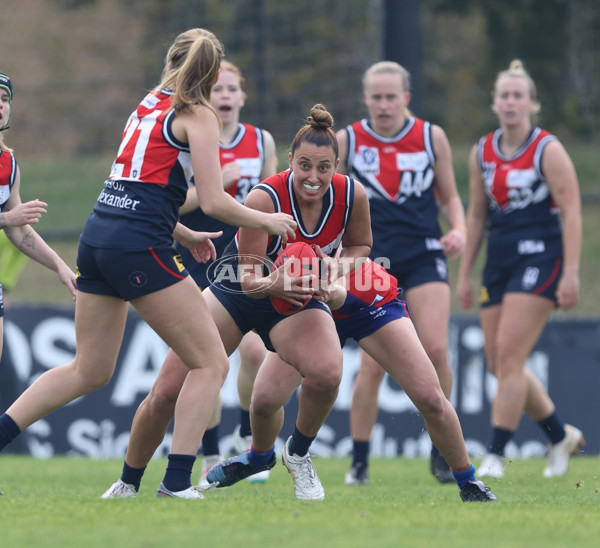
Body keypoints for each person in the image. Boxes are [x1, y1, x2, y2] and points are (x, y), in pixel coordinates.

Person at [0, 29, 297, 499]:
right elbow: (217, 199)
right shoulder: (197, 114)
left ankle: (4, 434)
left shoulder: (148, 102)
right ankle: (178, 482)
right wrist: (269, 219)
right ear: (213, 74)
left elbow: (135, 185)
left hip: (98, 235)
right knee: (210, 363)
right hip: (138, 246)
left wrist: (182, 231)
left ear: (171, 61)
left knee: (89, 370)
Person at [102, 103, 373, 501]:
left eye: (323, 167)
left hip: (295, 295)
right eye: (304, 165)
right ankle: (128, 482)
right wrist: (276, 283)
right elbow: (248, 279)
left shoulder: (353, 195)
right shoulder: (266, 198)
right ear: (290, 161)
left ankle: (297, 454)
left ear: (337, 166)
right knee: (165, 391)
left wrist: (335, 269)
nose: (313, 177)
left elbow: (361, 245)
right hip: (239, 291)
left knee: (328, 372)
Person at [257, 257, 496, 502]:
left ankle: (469, 483)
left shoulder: (348, 219)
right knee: (264, 400)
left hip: (364, 300)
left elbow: (352, 252)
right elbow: (249, 269)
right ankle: (257, 458)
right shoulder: (277, 219)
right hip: (307, 306)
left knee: (431, 398)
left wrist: (332, 288)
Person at [336, 61, 467, 485]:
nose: (384, 104)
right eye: (376, 96)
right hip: (372, 258)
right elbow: (334, 201)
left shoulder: (431, 137)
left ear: (406, 98)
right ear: (365, 98)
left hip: (424, 252)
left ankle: (441, 450)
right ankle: (359, 460)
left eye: (391, 96)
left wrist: (460, 228)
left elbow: (448, 194)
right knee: (374, 364)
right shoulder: (349, 140)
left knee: (436, 349)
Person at [456, 59, 585, 478]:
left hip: (541, 258)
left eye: (518, 95)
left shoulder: (547, 148)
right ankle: (558, 435)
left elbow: (571, 211)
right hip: (500, 259)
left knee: (510, 357)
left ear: (532, 102)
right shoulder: (483, 151)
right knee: (498, 364)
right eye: (504, 95)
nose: (511, 102)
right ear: (495, 102)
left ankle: (493, 455)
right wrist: (465, 273)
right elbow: (477, 217)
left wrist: (570, 273)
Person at [176, 60, 276, 484]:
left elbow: (275, 196)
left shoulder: (261, 140)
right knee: (208, 359)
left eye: (233, 89)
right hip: (200, 255)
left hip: (244, 258)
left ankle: (247, 440)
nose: (226, 97)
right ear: (206, 96)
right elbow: (170, 201)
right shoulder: (190, 132)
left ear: (243, 96)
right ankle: (209, 450)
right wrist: (210, 189)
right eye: (218, 90)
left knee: (254, 353)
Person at [0, 72, 77, 467]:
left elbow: (18, 228)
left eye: (3, 97)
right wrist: (8, 217)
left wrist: (60, 266)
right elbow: (9, 218)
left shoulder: (8, 162)